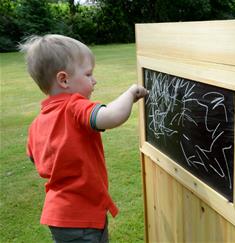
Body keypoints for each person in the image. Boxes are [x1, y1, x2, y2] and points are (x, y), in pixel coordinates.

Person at [19, 34, 148, 243]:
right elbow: (111, 116)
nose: (94, 80)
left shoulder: (37, 123)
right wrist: (131, 93)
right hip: (82, 217)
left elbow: (34, 158)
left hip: (59, 215)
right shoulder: (74, 106)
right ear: (64, 79)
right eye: (88, 74)